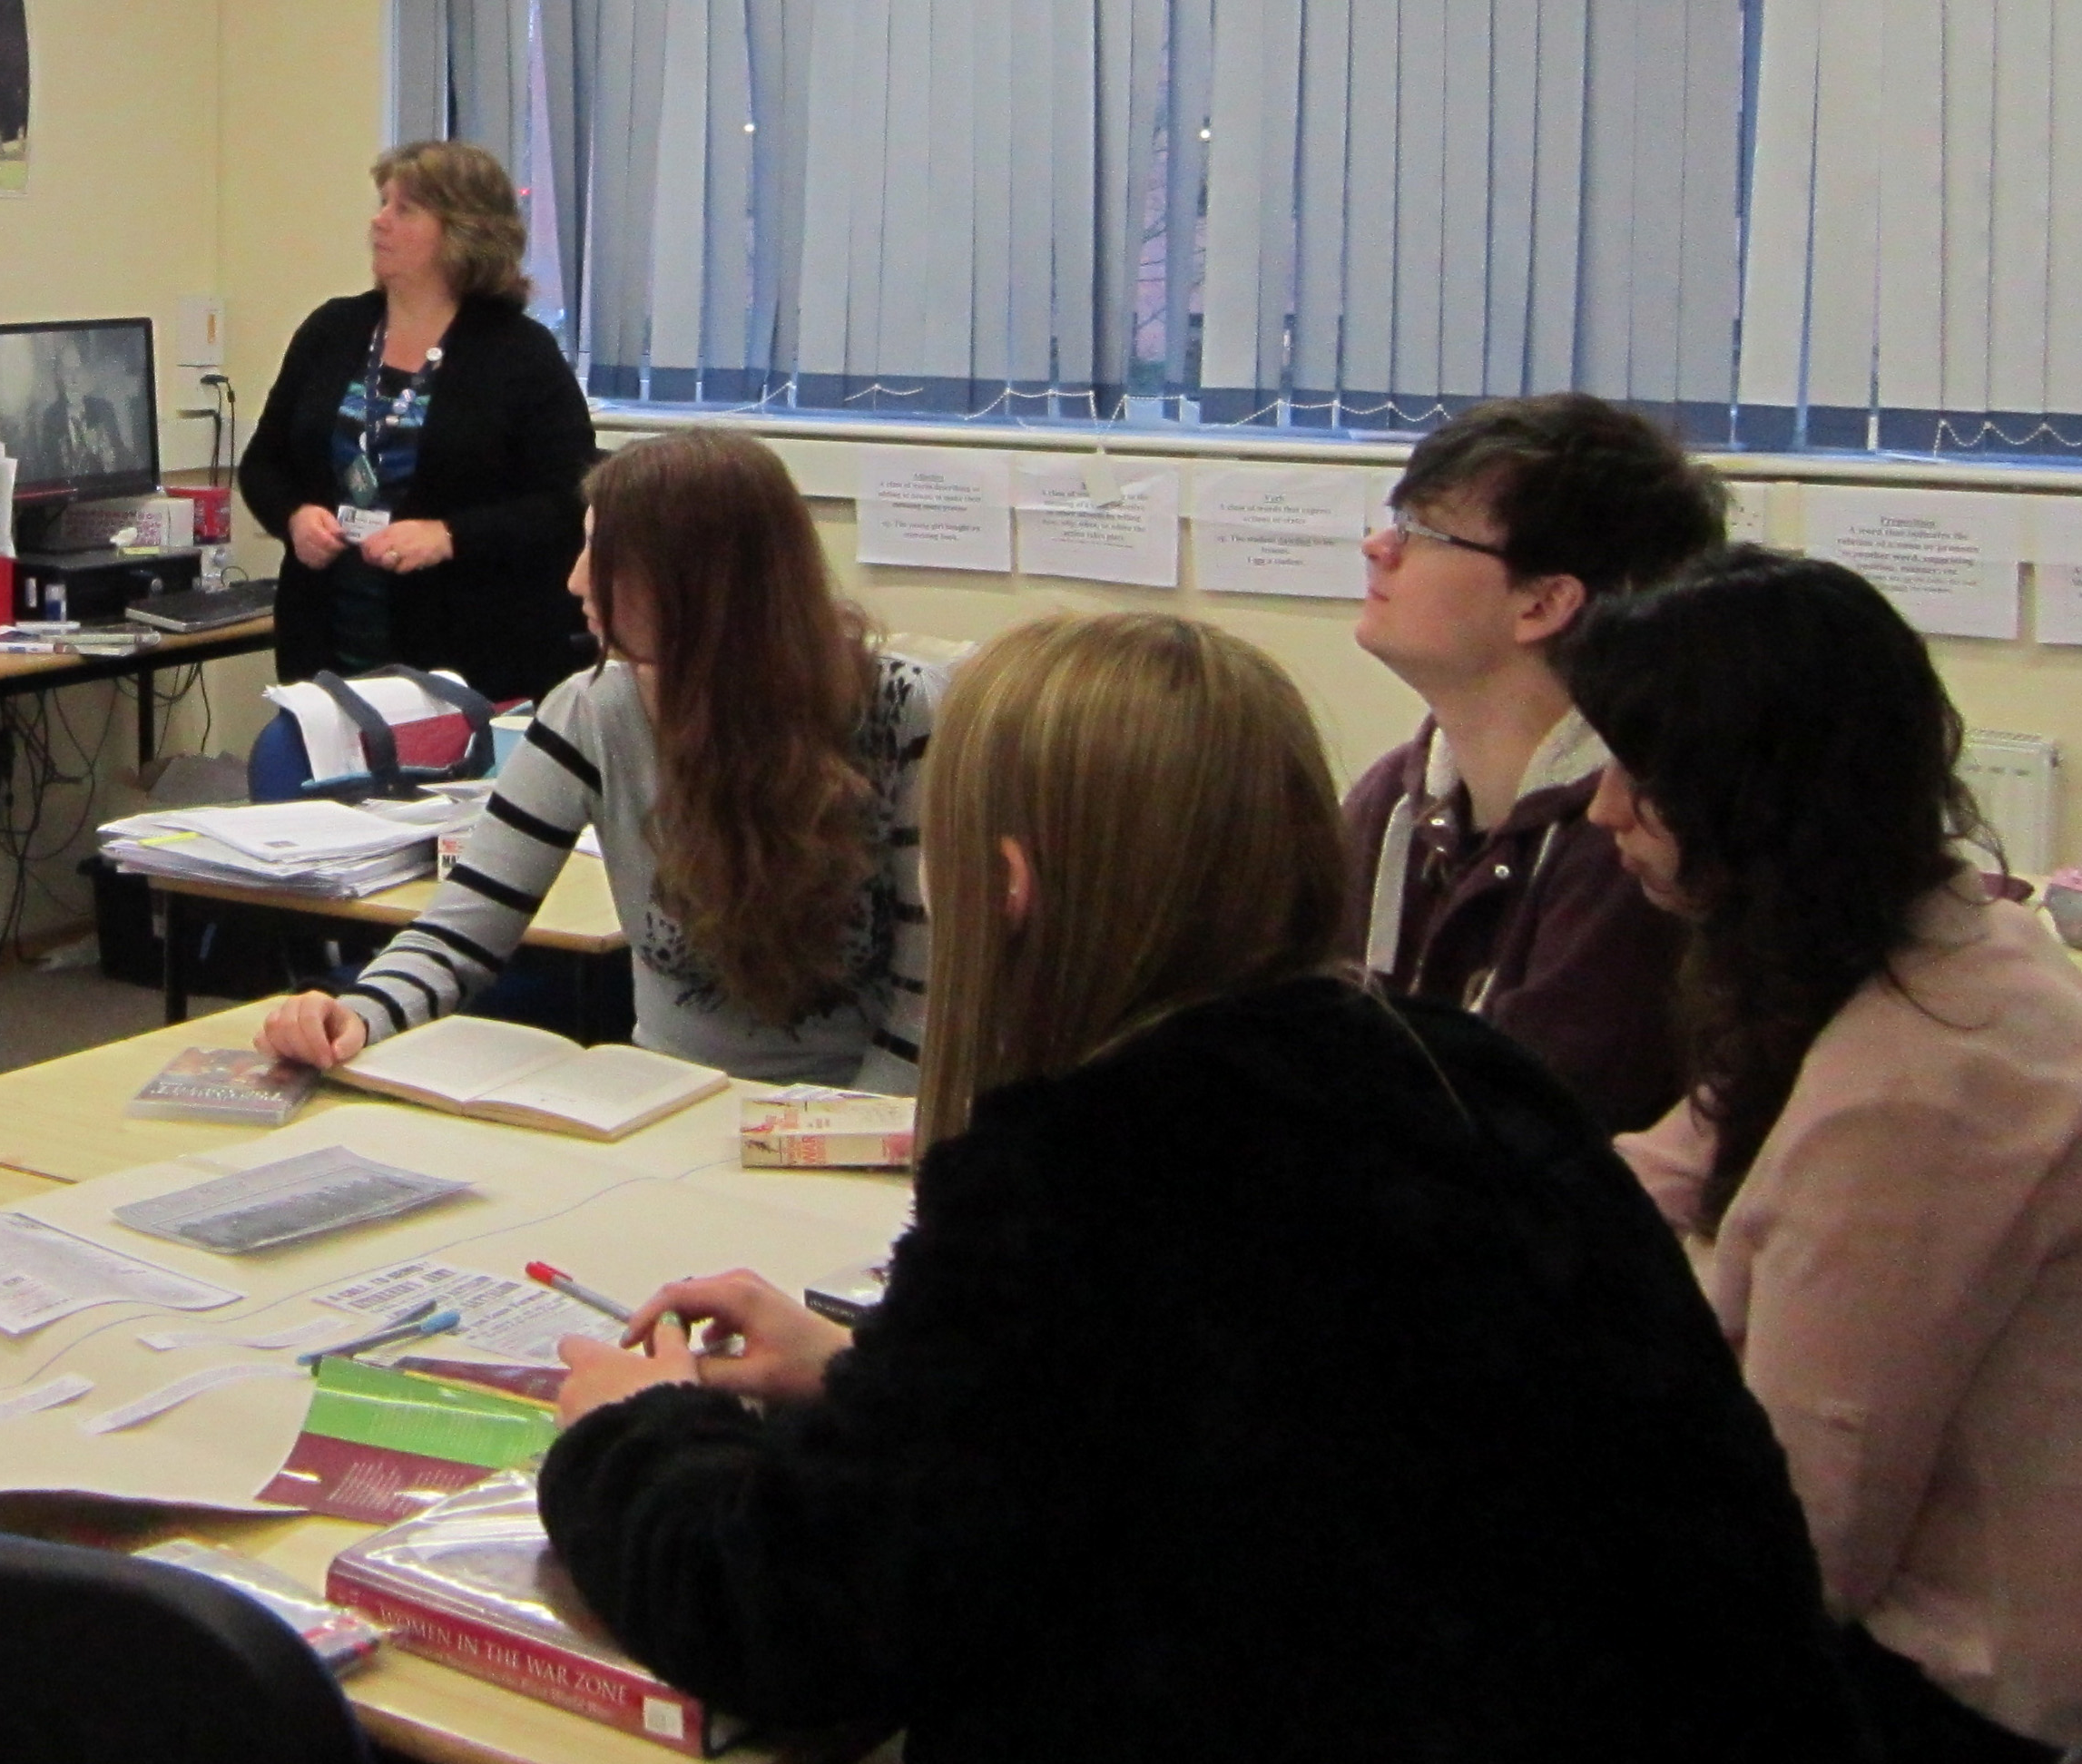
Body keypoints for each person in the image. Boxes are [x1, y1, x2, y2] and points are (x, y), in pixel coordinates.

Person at [535, 613, 1865, 1764]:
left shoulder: (1086, 1173)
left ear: (1007, 889)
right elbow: (1201, 1432)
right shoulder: (1460, 1079)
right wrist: (863, 1373)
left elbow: (806, 1617)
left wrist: (631, 1434)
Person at [1570, 548, 2082, 1759]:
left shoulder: (1927, 1086)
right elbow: (1644, 1184)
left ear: (1752, 801)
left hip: (1938, 1704)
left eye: (1640, 781)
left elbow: (1804, 1536)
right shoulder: (1890, 947)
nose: (1600, 811)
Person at [260, 430, 938, 1087]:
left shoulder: (903, 713)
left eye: (604, 555)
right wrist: (357, 1010)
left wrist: (844, 1131)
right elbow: (462, 930)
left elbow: (932, 993)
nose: (577, 579)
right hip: (670, 1102)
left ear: (698, 581)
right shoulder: (592, 711)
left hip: (856, 1114)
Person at [1346, 393, 1727, 1130]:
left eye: (1421, 532)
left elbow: (1537, 1127)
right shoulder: (1392, 797)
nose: (1378, 547)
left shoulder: (1633, 847)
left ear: (1544, 604)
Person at [238, 140, 594, 707]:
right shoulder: (333, 331)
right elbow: (264, 462)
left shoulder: (519, 354)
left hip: (471, 658)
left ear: (462, 233)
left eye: (405, 209)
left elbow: (567, 502)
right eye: (382, 203)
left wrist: (449, 537)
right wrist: (294, 516)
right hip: (326, 647)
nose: (378, 222)